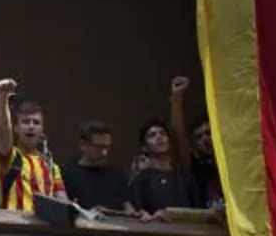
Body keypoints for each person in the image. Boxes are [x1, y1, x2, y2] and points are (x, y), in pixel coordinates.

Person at [132, 76, 203, 219]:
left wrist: (177, 98)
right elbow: (139, 213)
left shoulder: (184, 174)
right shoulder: (142, 179)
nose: (159, 137)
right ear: (145, 147)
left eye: (162, 133)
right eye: (152, 135)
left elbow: (198, 210)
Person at [0, 78, 64, 211]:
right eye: (25, 122)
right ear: (16, 128)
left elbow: (63, 203)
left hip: (44, 231)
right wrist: (2, 98)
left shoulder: (52, 167)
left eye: (36, 123)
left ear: (42, 130)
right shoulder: (10, 156)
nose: (31, 126)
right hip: (14, 228)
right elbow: (3, 129)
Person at [63, 121, 132, 213]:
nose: (105, 153)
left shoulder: (116, 175)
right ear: (83, 145)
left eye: (107, 147)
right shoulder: (67, 173)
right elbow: (62, 210)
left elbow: (128, 209)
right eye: (99, 147)